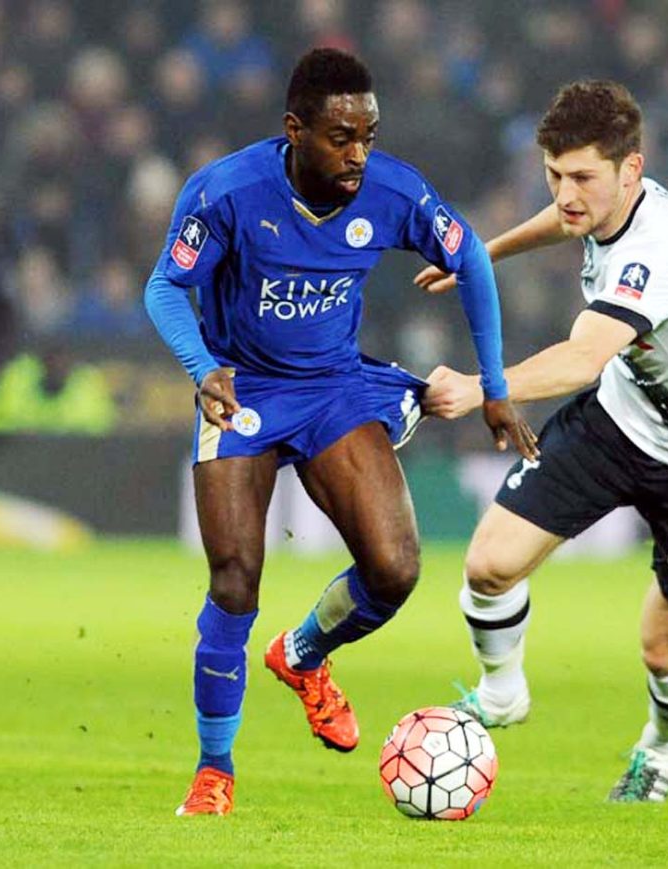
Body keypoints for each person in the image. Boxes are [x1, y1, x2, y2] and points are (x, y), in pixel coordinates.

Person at [144, 47, 536, 817]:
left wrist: (495, 386)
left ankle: (301, 655)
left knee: (394, 568)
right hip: (244, 389)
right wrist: (201, 365)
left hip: (331, 388)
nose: (359, 153)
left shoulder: (390, 190)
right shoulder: (226, 192)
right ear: (295, 129)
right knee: (233, 577)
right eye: (341, 137)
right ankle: (214, 770)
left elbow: (474, 262)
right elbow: (165, 286)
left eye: (369, 134)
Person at [416, 80, 668, 802]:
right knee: (490, 564)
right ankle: (500, 695)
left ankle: (667, 746)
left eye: (581, 176)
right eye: (554, 175)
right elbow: (565, 222)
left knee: (664, 648)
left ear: (630, 169)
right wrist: (482, 254)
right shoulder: (610, 202)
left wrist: (483, 386)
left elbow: (582, 359)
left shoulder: (660, 254)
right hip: (623, 419)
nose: (565, 192)